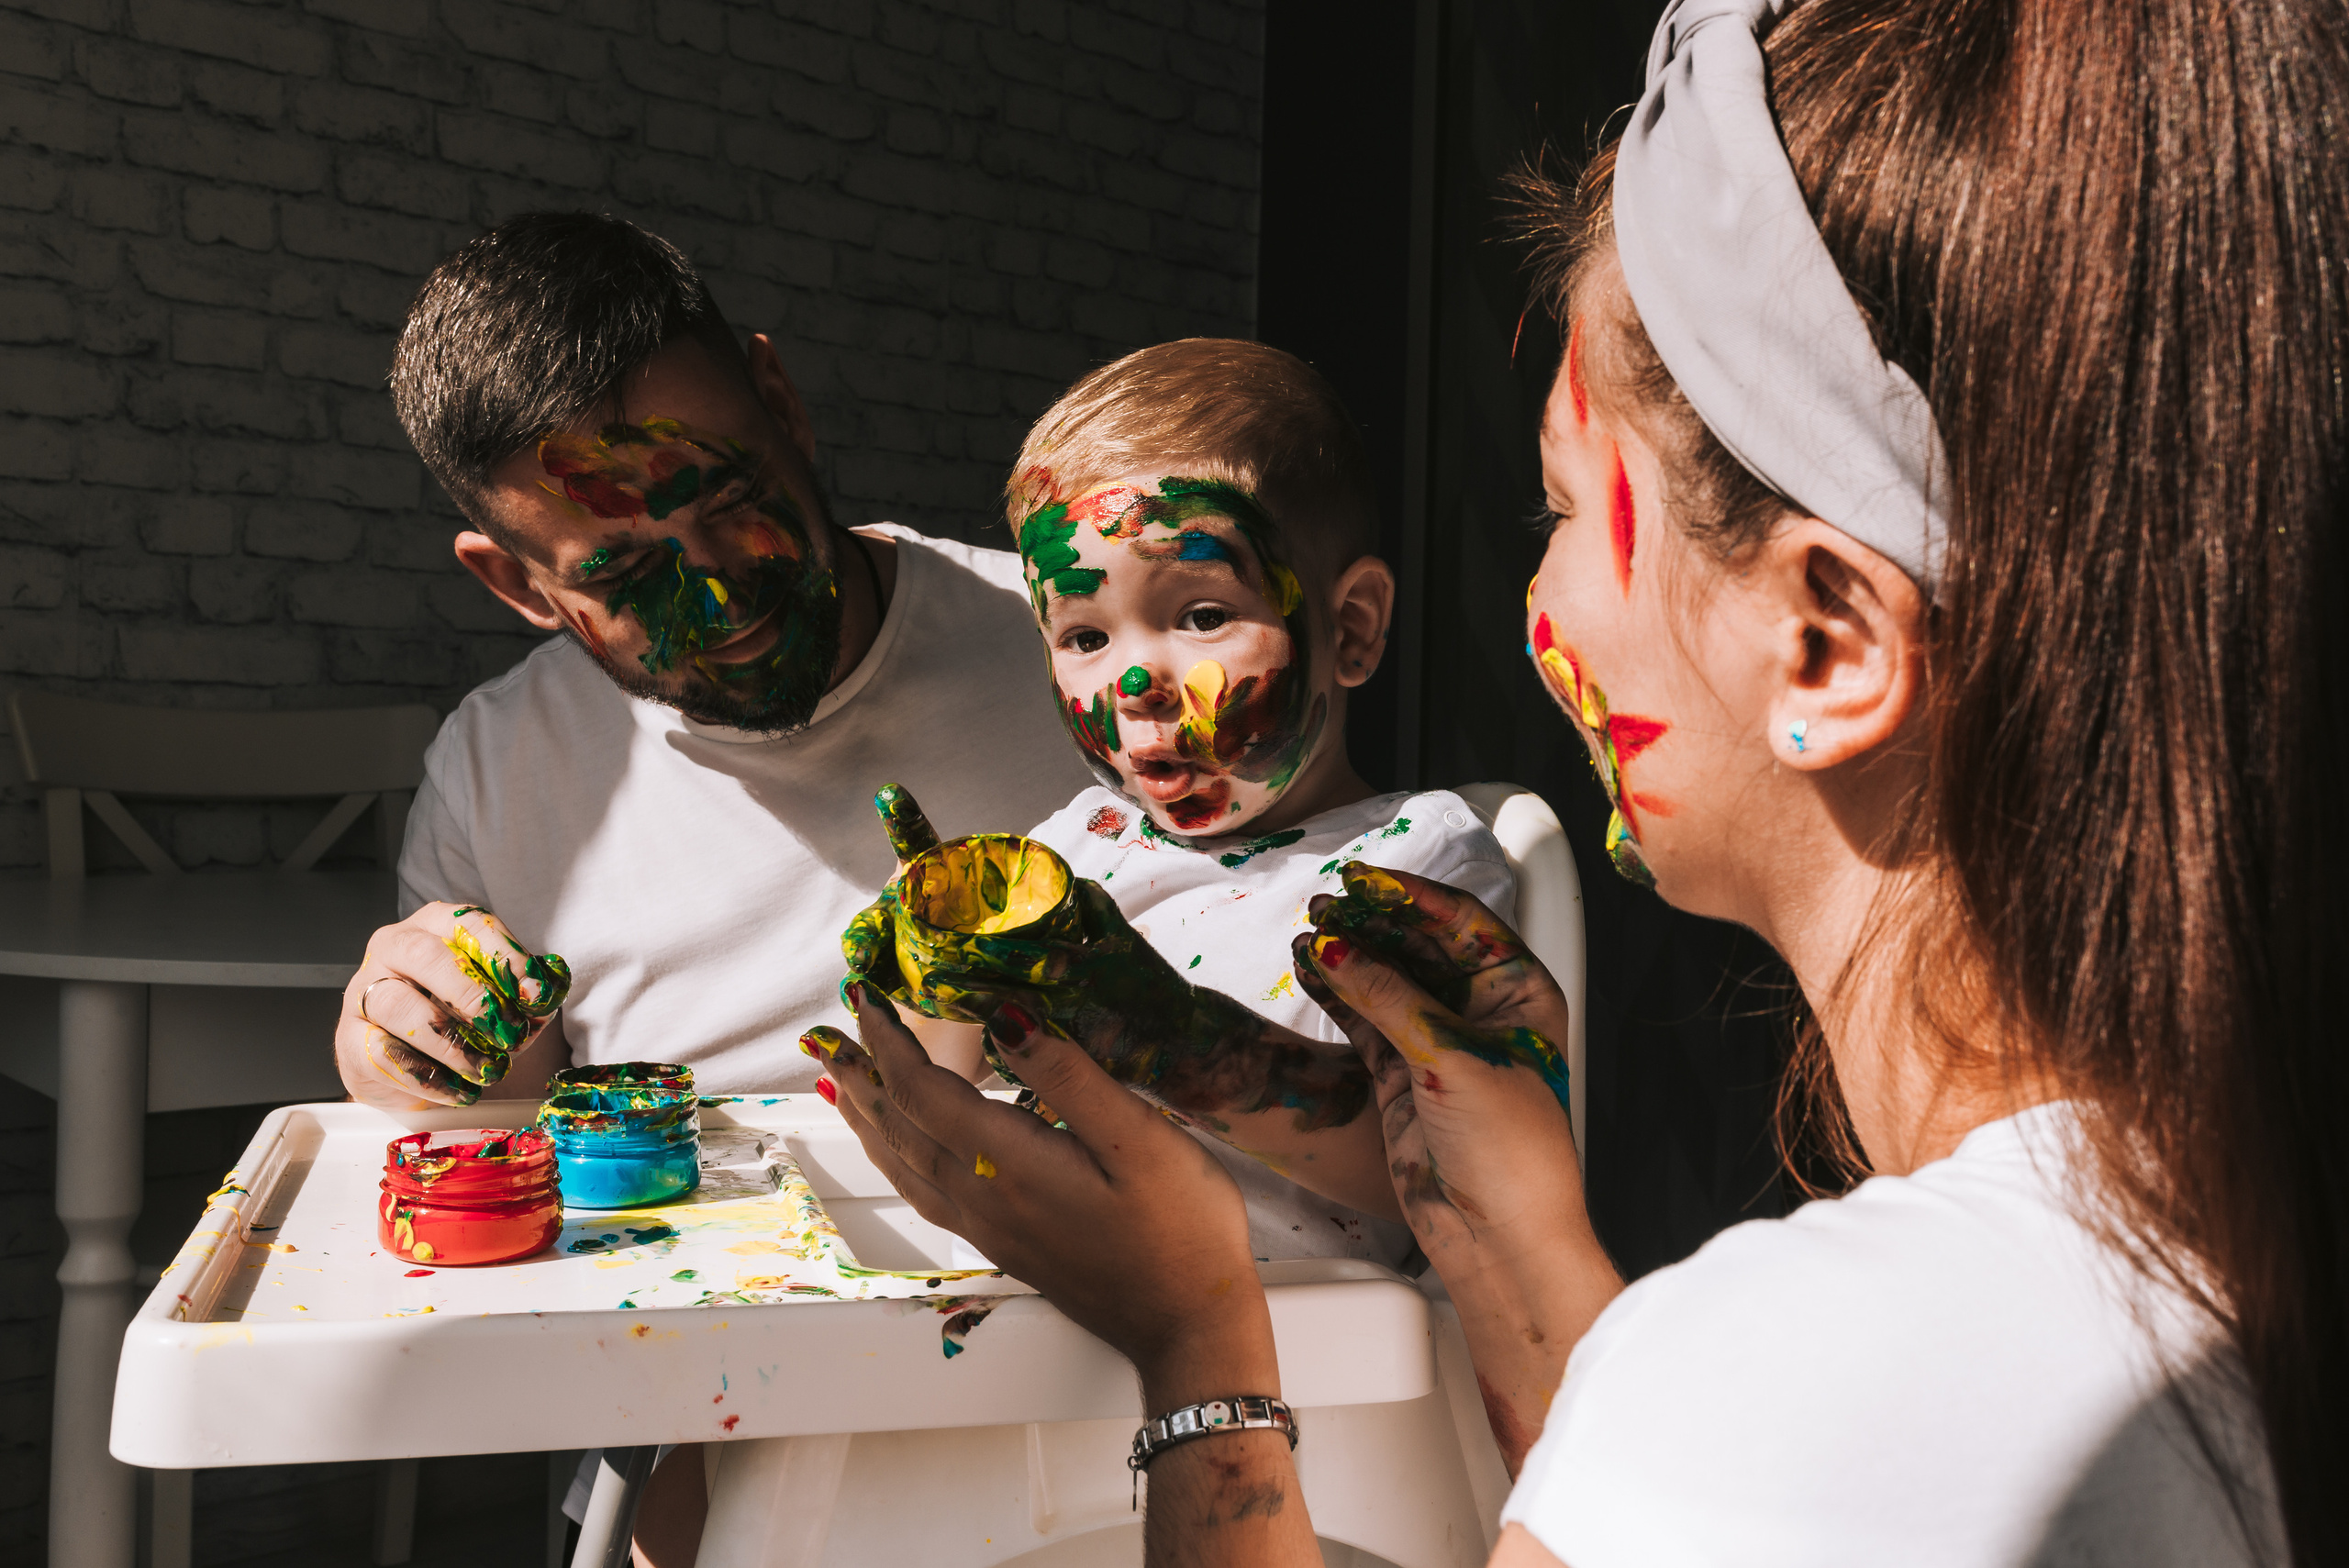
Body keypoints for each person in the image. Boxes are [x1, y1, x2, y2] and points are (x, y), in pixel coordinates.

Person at [810, 0, 2345, 1563]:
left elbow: (1747, 1475)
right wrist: (1541, 1285)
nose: (1537, 587)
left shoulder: (1824, 1396)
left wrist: (1196, 1338)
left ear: (1824, 642)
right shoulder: (2219, 1236)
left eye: (1556, 507)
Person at [329, 212, 1089, 1114]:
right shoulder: (496, 764)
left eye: (733, 499)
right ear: (519, 584)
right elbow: (497, 1124)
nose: (721, 593)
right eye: (624, 571)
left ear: (783, 404)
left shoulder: (1089, 653)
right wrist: (402, 1057)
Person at [835, 339, 1521, 1268]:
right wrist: (941, 963)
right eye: (1084, 634)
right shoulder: (1082, 843)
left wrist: (1171, 1038)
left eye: (1201, 616)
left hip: (1304, 1341)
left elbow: (1445, 1167)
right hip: (1048, 1308)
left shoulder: (1414, 868)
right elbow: (945, 1095)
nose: (1134, 683)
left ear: (1351, 627)